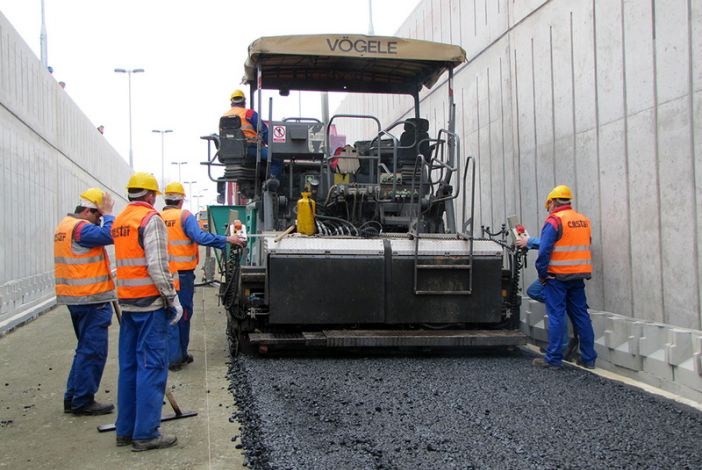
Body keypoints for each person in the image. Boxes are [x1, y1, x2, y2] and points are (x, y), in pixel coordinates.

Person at [112, 172, 182, 451]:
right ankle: (146, 434)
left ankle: (125, 430)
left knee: (128, 368)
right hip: (151, 306)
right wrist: (171, 298)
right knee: (152, 367)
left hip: (128, 304)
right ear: (151, 196)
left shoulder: (120, 220)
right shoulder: (150, 219)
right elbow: (156, 265)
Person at [161, 182, 245, 370]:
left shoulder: (158, 217)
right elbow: (200, 237)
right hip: (181, 275)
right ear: (181, 199)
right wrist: (226, 239)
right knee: (182, 314)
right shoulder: (184, 216)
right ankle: (176, 358)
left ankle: (177, 354)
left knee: (169, 314)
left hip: (163, 275)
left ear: (166, 198)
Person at [54, 188, 116, 416]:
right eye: (97, 216)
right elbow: (110, 235)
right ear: (89, 211)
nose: (99, 220)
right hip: (91, 299)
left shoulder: (64, 226)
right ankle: (83, 400)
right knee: (93, 351)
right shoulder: (81, 229)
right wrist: (109, 214)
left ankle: (73, 397)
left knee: (83, 350)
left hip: (76, 298)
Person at [532, 185, 597, 369]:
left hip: (557, 277)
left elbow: (544, 250)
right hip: (578, 276)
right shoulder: (583, 220)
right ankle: (589, 358)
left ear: (552, 202)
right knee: (581, 316)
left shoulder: (554, 221)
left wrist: (542, 274)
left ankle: (553, 359)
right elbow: (584, 243)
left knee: (556, 315)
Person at [222, 89, 282, 180]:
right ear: (244, 102)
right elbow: (264, 131)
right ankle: (271, 181)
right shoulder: (249, 114)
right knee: (277, 157)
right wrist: (274, 146)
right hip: (250, 149)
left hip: (230, 152)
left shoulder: (224, 117)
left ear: (231, 103)